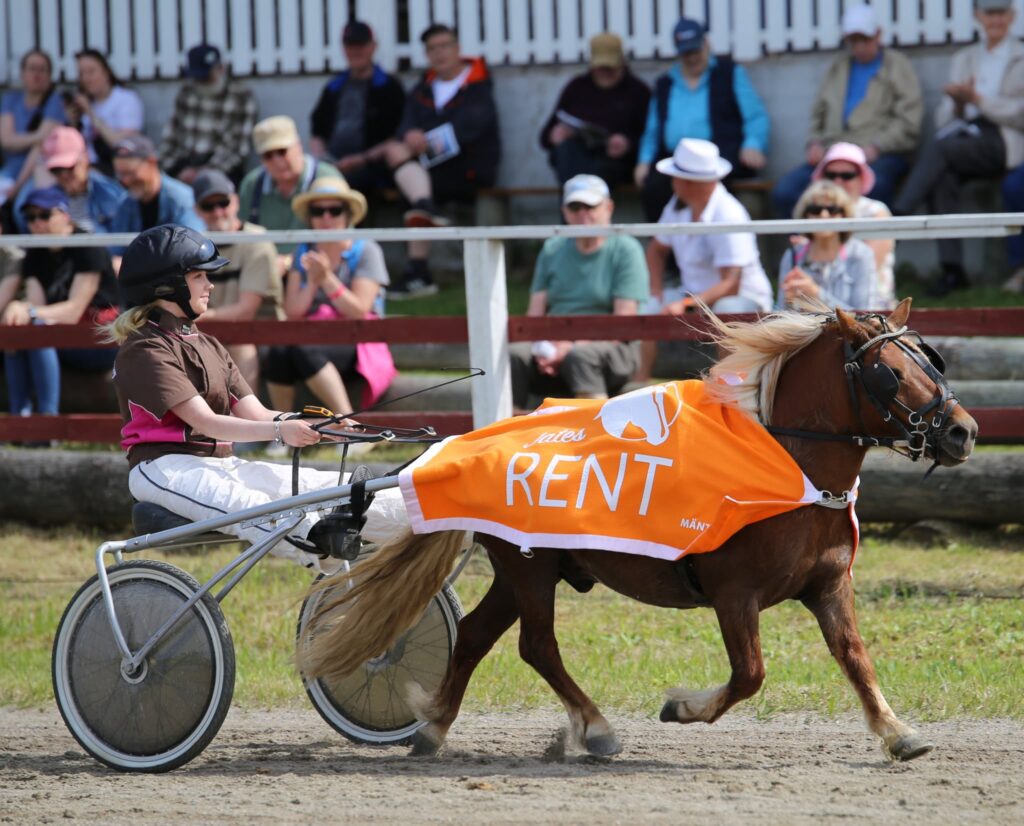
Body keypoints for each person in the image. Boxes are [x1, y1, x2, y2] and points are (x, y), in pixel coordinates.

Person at [104, 223, 407, 574]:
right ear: (166, 285)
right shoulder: (144, 349)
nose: (210, 284)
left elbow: (257, 412)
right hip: (165, 469)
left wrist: (315, 424)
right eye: (200, 276)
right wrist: (282, 434)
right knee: (260, 508)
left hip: (219, 463)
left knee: (326, 488)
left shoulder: (208, 345)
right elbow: (205, 421)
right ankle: (330, 549)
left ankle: (415, 524)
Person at [893, 0, 1024, 296]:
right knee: (942, 176)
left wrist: (979, 100)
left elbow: (1020, 115)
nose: (995, 19)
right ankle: (953, 271)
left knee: (941, 151)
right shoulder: (965, 57)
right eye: (990, 13)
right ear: (978, 16)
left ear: (1012, 16)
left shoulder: (1021, 55)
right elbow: (944, 119)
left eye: (1001, 13)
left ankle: (896, 218)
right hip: (964, 136)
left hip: (1004, 140)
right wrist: (959, 102)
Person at [377, 23, 501, 298]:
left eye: (445, 46)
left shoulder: (477, 86)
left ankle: (418, 272)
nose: (439, 53)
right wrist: (408, 136)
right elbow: (405, 127)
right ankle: (425, 212)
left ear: (457, 48)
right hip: (428, 170)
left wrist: (419, 146)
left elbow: (467, 132)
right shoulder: (422, 89)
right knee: (401, 166)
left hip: (469, 169)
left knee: (407, 173)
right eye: (433, 48)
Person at [638, 139, 773, 381]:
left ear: (689, 182)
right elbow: (656, 249)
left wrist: (687, 304)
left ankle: (731, 388)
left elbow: (731, 284)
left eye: (676, 176)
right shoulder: (678, 206)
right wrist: (655, 290)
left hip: (744, 298)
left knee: (727, 311)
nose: (672, 182)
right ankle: (638, 383)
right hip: (694, 297)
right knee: (648, 306)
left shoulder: (728, 214)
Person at [772, 4, 923, 220]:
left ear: (878, 35)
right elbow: (818, 113)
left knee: (875, 189)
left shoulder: (897, 66)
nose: (859, 47)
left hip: (879, 155)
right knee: (786, 192)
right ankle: (808, 248)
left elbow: (909, 121)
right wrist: (814, 142)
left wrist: (878, 146)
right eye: (853, 41)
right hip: (833, 154)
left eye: (865, 40)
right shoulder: (838, 68)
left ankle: (874, 249)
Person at [509, 174, 648, 408]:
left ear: (608, 207)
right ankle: (505, 431)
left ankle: (595, 433)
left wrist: (570, 347)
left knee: (581, 356)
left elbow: (624, 324)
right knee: (513, 356)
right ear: (564, 211)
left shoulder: (626, 249)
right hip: (556, 344)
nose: (583, 214)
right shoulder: (552, 248)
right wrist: (544, 348)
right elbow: (534, 315)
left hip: (614, 348)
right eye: (575, 206)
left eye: (590, 206)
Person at [264, 178, 395, 417]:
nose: (326, 218)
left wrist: (326, 278)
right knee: (279, 352)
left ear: (348, 215)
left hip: (357, 340)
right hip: (312, 335)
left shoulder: (366, 250)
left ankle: (348, 424)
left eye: (334, 210)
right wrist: (313, 282)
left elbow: (358, 310)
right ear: (310, 217)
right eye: (318, 211)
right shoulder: (303, 250)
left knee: (301, 348)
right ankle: (281, 429)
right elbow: (293, 311)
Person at [634, 17, 770, 221]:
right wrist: (643, 161)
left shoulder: (731, 73)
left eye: (696, 50)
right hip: (676, 160)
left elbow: (755, 115)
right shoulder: (665, 83)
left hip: (720, 157)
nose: (692, 57)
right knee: (654, 190)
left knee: (714, 197)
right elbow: (652, 130)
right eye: (686, 52)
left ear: (706, 44)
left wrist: (753, 144)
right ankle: (667, 250)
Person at [1, 187, 119, 419]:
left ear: (64, 215)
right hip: (61, 338)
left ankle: (47, 421)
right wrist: (24, 313)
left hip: (100, 338)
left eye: (44, 215)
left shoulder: (87, 245)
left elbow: (73, 311)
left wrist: (26, 309)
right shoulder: (35, 253)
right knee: (20, 331)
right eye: (30, 218)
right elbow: (38, 309)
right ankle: (19, 421)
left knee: (36, 331)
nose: (37, 223)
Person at [191, 169, 283, 389]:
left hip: (261, 333)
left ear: (235, 202)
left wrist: (199, 319)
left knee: (240, 343)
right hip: (212, 332)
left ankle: (246, 418)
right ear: (197, 211)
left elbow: (246, 311)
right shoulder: (194, 247)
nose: (217, 211)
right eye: (208, 206)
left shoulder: (256, 240)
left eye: (223, 202)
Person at [538, 32, 651, 188]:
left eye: (609, 67)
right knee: (567, 154)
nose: (604, 72)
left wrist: (628, 144)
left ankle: (583, 205)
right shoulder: (577, 87)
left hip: (616, 163)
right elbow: (545, 136)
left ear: (621, 62)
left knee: (596, 171)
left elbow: (651, 136)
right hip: (576, 158)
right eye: (600, 67)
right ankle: (575, 206)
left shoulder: (638, 91)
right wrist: (555, 135)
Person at [309, 20, 406, 196]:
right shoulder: (334, 86)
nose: (355, 51)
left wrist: (361, 159)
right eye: (350, 45)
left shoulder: (389, 87)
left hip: (372, 167)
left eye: (361, 45)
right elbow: (317, 130)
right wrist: (322, 158)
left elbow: (397, 136)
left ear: (373, 46)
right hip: (333, 164)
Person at [237, 115, 343, 274]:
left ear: (298, 146)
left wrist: (289, 263)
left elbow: (343, 239)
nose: (277, 161)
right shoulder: (251, 184)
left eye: (282, 151)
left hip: (318, 271)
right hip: (262, 273)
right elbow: (241, 238)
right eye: (268, 155)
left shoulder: (327, 177)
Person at [810, 142, 896, 308]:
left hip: (871, 307)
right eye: (831, 175)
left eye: (847, 175)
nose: (838, 181)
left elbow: (866, 272)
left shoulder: (876, 212)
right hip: (819, 304)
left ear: (861, 178)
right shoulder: (814, 211)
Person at [159, 43, 259, 185]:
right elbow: (170, 140)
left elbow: (238, 149)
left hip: (222, 169)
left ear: (220, 69)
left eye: (206, 77)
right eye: (198, 78)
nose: (202, 82)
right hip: (184, 164)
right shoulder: (185, 93)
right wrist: (172, 169)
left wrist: (205, 172)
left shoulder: (241, 96)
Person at [777, 180, 880, 311]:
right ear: (805, 215)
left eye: (832, 210)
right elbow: (781, 311)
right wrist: (790, 301)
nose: (824, 215)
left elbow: (865, 314)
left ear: (844, 214)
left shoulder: (861, 254)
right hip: (804, 330)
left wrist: (816, 294)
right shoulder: (793, 255)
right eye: (815, 209)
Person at [12, 126, 128, 234]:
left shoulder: (112, 194)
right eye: (56, 169)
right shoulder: (43, 202)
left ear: (85, 159)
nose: (64, 175)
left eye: (69, 167)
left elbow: (123, 243)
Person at [109, 135, 204, 260]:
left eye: (131, 173)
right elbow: (116, 250)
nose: (126, 181)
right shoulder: (125, 203)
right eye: (121, 174)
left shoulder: (182, 199)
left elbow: (190, 249)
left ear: (152, 162)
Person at [0, 49, 64, 212]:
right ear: (22, 73)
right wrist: (37, 136)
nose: (37, 74)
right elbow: (6, 140)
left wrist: (18, 186)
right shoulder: (11, 99)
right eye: (32, 68)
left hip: (35, 170)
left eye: (42, 70)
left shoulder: (55, 102)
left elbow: (40, 148)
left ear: (50, 76)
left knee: (24, 207)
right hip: (9, 170)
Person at [66, 49, 144, 176]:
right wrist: (73, 123)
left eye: (91, 72)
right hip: (84, 167)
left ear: (106, 71)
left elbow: (122, 145)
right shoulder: (84, 103)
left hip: (114, 168)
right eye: (81, 74)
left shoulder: (126, 99)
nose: (86, 79)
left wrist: (91, 115)